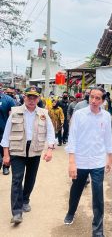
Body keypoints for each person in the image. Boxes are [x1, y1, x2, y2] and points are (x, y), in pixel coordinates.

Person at [0, 86, 55, 224]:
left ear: (38, 98)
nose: (31, 100)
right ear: (24, 97)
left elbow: (51, 132)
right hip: (17, 149)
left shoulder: (43, 113)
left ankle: (25, 199)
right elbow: (6, 135)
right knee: (17, 180)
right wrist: (6, 155)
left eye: (34, 97)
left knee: (30, 178)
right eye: (29, 97)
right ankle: (17, 212)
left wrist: (49, 150)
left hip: (34, 149)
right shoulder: (15, 112)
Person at [64, 87, 112, 237]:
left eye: (98, 98)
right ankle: (71, 212)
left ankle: (98, 230)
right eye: (92, 97)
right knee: (76, 189)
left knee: (98, 195)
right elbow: (72, 138)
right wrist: (72, 162)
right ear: (88, 97)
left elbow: (108, 138)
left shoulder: (106, 116)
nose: (94, 101)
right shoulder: (79, 115)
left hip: (98, 161)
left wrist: (109, 158)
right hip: (81, 160)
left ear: (103, 101)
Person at [0, 91, 16, 175]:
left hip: (3, 131)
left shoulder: (8, 100)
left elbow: (13, 115)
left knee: (5, 151)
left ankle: (6, 167)